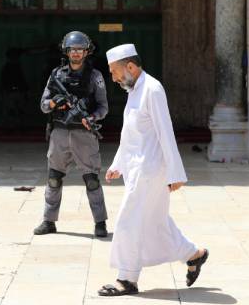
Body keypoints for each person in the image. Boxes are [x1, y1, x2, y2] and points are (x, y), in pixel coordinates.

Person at [98, 44, 208, 296]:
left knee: (128, 221)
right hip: (138, 168)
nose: (113, 78)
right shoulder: (133, 90)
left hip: (151, 170)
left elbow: (165, 132)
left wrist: (176, 174)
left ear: (131, 67)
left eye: (114, 72)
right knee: (155, 222)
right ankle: (195, 255)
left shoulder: (152, 89)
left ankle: (127, 279)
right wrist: (118, 163)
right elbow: (131, 134)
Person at [33, 31, 109, 237]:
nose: (76, 53)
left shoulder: (95, 76)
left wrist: (92, 118)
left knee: (91, 179)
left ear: (87, 52)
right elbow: (43, 105)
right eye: (72, 49)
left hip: (83, 134)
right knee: (54, 178)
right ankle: (49, 221)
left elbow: (103, 107)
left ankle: (100, 222)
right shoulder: (56, 75)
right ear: (67, 51)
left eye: (80, 50)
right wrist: (53, 103)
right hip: (59, 133)